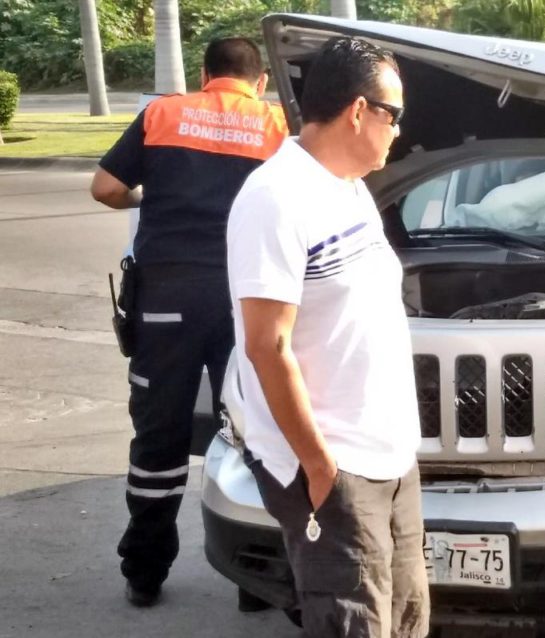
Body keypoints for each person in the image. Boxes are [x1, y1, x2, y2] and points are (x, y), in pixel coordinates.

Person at [226, 37, 429, 637]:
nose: (399, 130)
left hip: (388, 456)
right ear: (358, 111)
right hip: (335, 463)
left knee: (407, 615)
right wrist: (320, 469)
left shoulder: (349, 187)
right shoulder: (276, 198)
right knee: (355, 625)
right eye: (395, 114)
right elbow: (268, 346)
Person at [90, 37, 288, 608]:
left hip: (166, 299)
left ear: (204, 74)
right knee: (253, 431)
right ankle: (255, 579)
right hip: (244, 300)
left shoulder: (162, 113)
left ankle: (145, 573)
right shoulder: (275, 125)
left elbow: (105, 187)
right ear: (260, 82)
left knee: (160, 436)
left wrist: (146, 198)